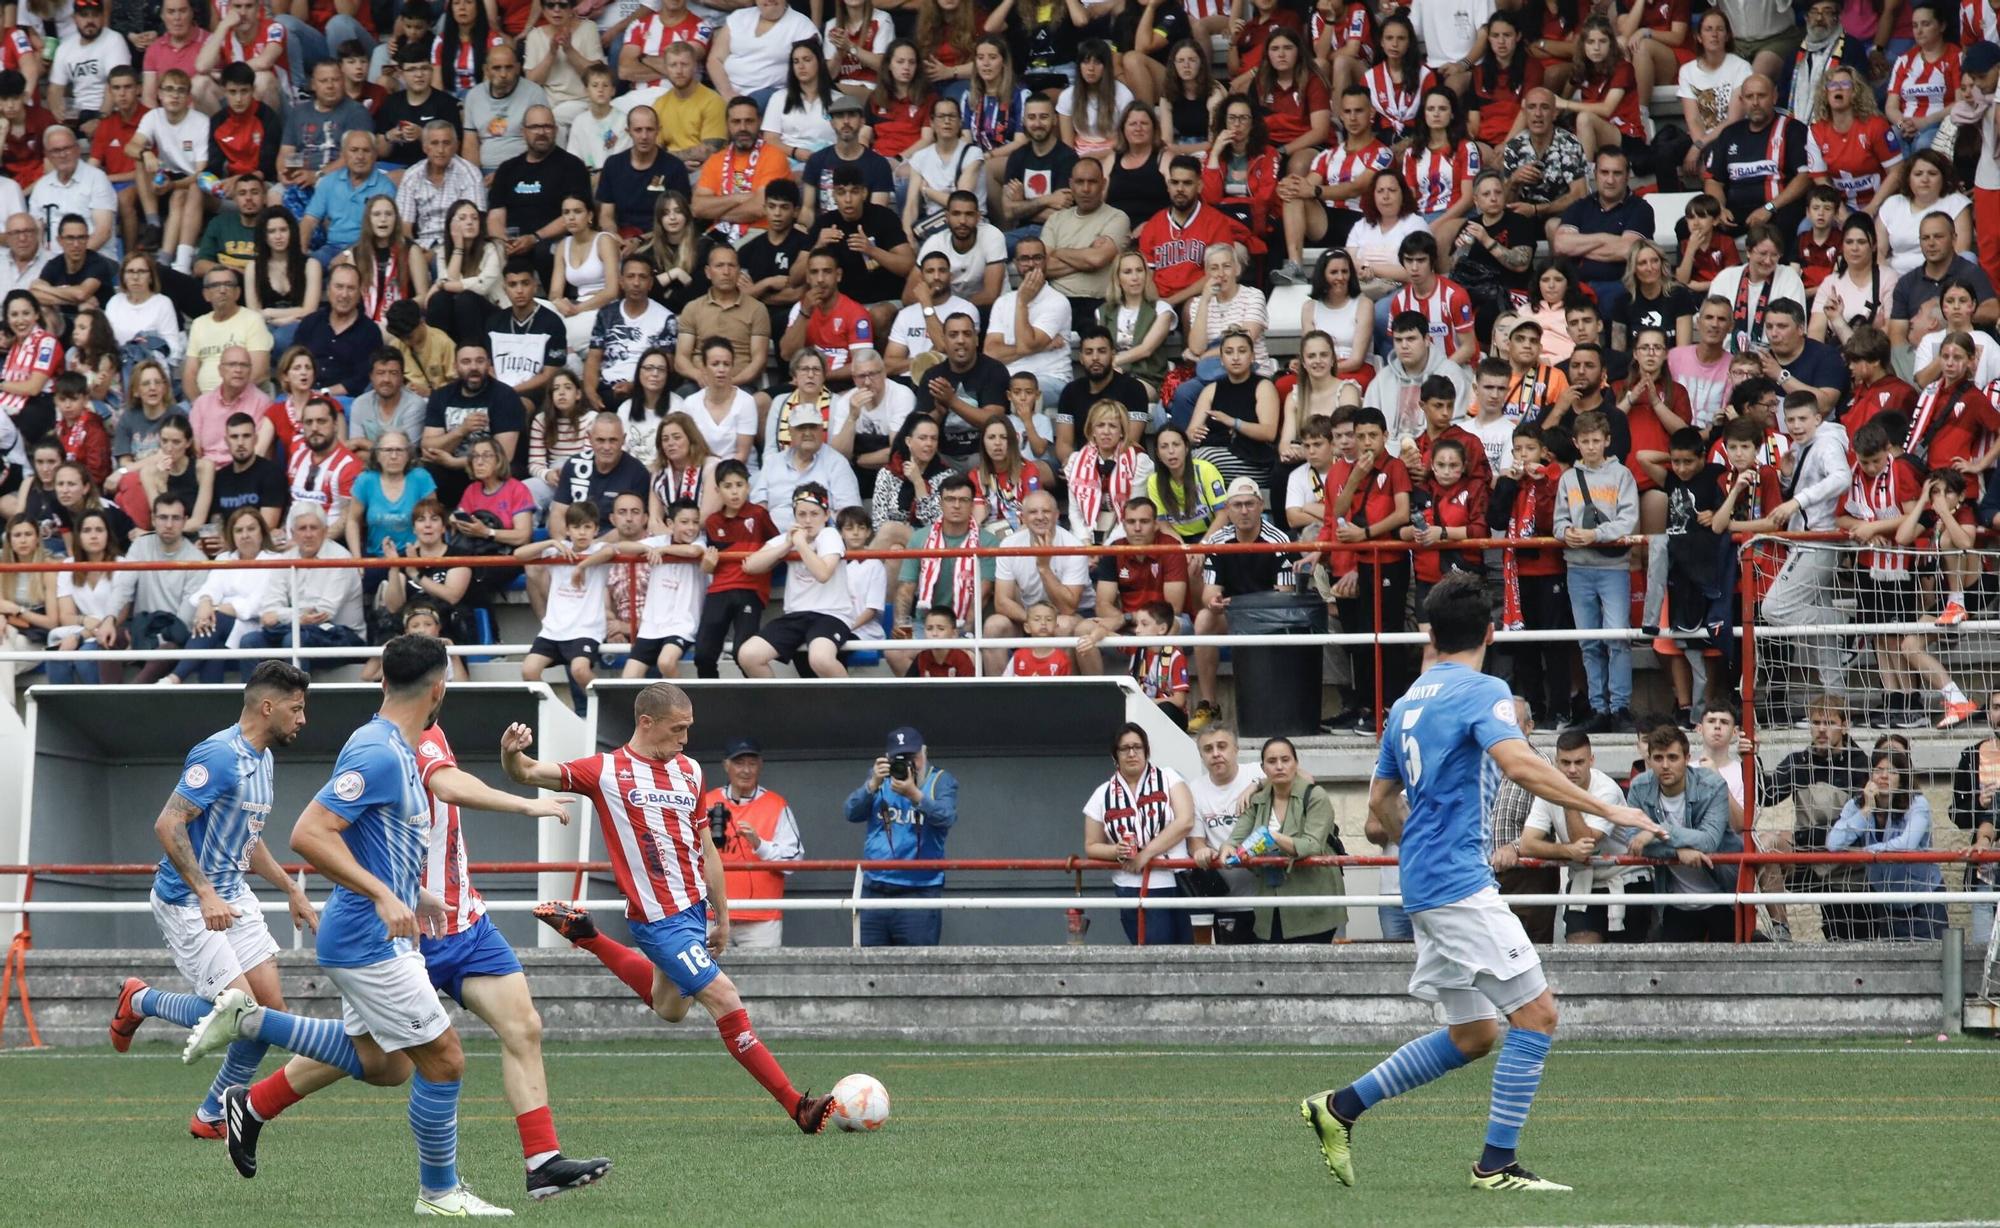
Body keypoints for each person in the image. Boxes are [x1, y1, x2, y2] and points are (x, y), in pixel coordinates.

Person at [172, 635, 594, 1216]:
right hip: (367, 938)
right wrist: (381, 895)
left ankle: (252, 1059)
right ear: (439, 688)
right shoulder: (378, 750)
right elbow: (308, 834)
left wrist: (412, 894)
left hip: (380, 932)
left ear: (384, 682)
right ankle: (440, 1194)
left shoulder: (399, 745)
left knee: (386, 1063)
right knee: (444, 1060)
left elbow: (375, 842)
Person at [1306, 573, 1658, 1193]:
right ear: (1490, 633)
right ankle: (1496, 1166)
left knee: (1474, 1034)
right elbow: (1518, 762)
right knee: (1538, 1016)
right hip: (1457, 885)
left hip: (1424, 881)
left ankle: (1339, 1107)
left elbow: (1380, 804)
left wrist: (1421, 842)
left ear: (1432, 635)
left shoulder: (1408, 701)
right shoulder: (1482, 689)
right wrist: (1613, 809)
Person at [104, 662, 316, 1137]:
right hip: (186, 899)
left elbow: (248, 838)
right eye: (297, 709)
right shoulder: (219, 755)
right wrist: (204, 894)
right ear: (268, 707)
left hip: (232, 894)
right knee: (241, 1011)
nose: (303, 719)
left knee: (269, 1008)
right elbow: (168, 823)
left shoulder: (265, 759)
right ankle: (141, 1000)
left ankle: (212, 1114)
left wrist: (290, 889)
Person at [842, 725, 960, 946]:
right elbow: (850, 812)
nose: (907, 765)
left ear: (924, 753)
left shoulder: (941, 780)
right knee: (870, 970)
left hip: (919, 893)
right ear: (887, 759)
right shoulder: (881, 780)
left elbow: (946, 818)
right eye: (899, 758)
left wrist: (915, 795)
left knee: (917, 970)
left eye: (912, 757)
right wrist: (872, 784)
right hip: (875, 890)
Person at [1081, 721, 1195, 945]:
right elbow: (1091, 845)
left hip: (1174, 881)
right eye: (1125, 748)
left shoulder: (1169, 778)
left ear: (1146, 751)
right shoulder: (1102, 794)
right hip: (1129, 885)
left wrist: (1146, 854)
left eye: (1137, 747)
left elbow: (1185, 821)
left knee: (1183, 953)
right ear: (1115, 755)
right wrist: (1116, 850)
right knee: (1147, 952)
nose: (1132, 753)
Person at [1625, 723, 1741, 942]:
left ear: (1687, 758)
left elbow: (1709, 841)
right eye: (1658, 758)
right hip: (1675, 901)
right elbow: (1634, 842)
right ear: (1648, 760)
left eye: (1673, 757)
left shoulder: (1712, 785)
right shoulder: (1639, 786)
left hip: (1724, 895)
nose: (1665, 765)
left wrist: (1658, 830)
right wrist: (1677, 852)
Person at [737, 484, 853, 677]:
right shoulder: (789, 538)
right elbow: (750, 566)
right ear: (795, 516)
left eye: (814, 514)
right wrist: (787, 545)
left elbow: (823, 574)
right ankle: (777, 707)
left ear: (826, 515)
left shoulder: (830, 534)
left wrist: (800, 544)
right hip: (796, 615)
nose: (808, 520)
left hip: (831, 614)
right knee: (748, 655)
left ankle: (854, 704)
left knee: (820, 659)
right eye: (802, 514)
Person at [238, 502, 365, 666]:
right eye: (302, 529)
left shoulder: (341, 559)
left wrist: (280, 616)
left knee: (293, 640)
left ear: (325, 531)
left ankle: (298, 692)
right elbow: (269, 607)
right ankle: (253, 692)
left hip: (342, 635)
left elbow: (323, 613)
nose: (308, 534)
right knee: (250, 641)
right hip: (296, 630)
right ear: (292, 533)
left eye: (314, 528)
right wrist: (297, 617)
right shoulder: (286, 558)